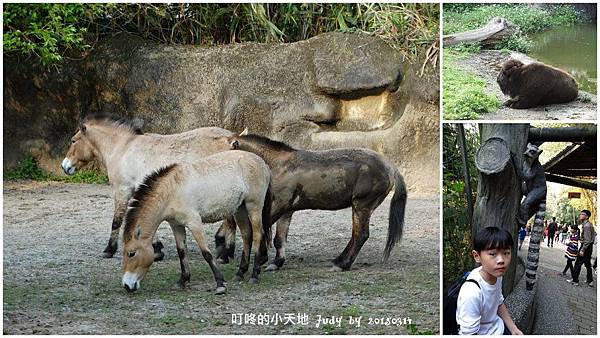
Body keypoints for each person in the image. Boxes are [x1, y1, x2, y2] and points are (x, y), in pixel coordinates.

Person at [456, 227, 523, 335]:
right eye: (493, 254)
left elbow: (498, 302)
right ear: (477, 256)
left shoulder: (496, 274)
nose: (501, 260)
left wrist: (513, 328)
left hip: (498, 328)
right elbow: (468, 333)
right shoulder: (471, 292)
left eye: (506, 253)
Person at [568, 210, 596, 287]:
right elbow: (593, 235)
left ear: (587, 216)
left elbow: (587, 240)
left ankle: (575, 280)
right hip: (589, 247)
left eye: (582, 214)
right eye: (580, 214)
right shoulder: (589, 225)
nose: (580, 215)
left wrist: (583, 249)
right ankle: (590, 281)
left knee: (578, 263)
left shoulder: (587, 226)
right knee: (587, 264)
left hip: (585, 247)